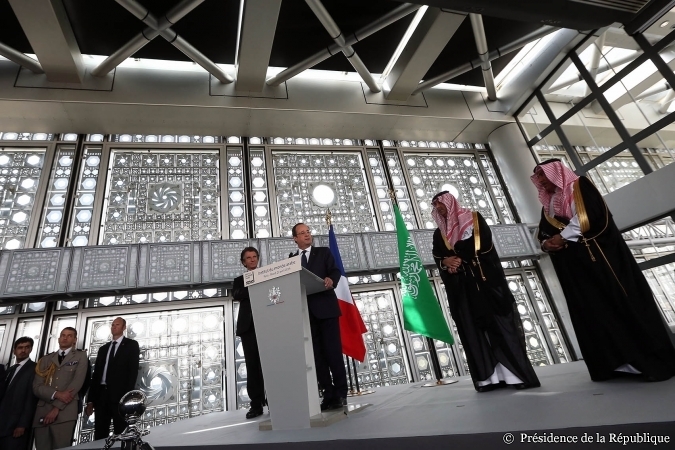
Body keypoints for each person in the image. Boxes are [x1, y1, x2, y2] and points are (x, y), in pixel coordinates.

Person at [531, 159, 675, 382]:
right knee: (591, 311)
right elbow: (542, 232)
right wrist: (545, 244)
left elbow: (589, 217)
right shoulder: (547, 205)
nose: (539, 180)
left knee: (617, 303)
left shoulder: (580, 186)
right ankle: (613, 363)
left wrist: (562, 236)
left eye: (542, 174)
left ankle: (645, 361)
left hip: (601, 260)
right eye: (537, 176)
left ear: (556, 173)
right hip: (574, 267)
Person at [431, 191, 541, 392]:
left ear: (450, 202)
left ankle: (515, 375)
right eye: (434, 205)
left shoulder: (473, 218)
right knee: (473, 331)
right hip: (462, 290)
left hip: (485, 285)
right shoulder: (439, 233)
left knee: (499, 328)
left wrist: (458, 258)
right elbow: (438, 255)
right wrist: (446, 263)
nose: (438, 208)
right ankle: (488, 378)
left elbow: (482, 245)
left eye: (440, 203)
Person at [291, 222, 348, 410]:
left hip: (327, 309)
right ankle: (327, 393)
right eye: (302, 233)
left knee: (333, 353)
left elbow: (335, 270)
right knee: (317, 357)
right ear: (295, 239)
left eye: (308, 232)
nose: (307, 235)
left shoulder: (323, 252)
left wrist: (332, 279)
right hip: (306, 313)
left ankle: (340, 393)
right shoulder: (292, 259)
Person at [86, 317, 140, 444]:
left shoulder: (131, 345)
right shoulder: (104, 349)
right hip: (101, 396)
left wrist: (127, 397)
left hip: (119, 397)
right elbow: (96, 375)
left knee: (121, 431)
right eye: (112, 325)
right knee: (100, 432)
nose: (114, 327)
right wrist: (91, 400)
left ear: (124, 327)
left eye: (117, 324)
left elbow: (133, 372)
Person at [33, 327, 88, 450]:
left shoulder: (80, 356)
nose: (65, 337)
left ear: (75, 339)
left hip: (65, 412)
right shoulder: (46, 359)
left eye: (69, 335)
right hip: (43, 411)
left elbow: (77, 383)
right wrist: (56, 394)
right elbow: (37, 387)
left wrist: (56, 408)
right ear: (58, 338)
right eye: (63, 335)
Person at [233, 247, 267, 419]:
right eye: (249, 258)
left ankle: (274, 400)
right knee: (252, 366)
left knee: (269, 365)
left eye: (255, 257)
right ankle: (256, 404)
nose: (252, 260)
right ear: (243, 262)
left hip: (267, 326)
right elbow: (237, 294)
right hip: (248, 329)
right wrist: (253, 283)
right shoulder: (239, 280)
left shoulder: (268, 274)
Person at [0, 337, 38, 450]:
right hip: (3, 423)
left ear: (31, 349)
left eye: (27, 347)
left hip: (17, 426)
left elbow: (31, 399)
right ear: (14, 351)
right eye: (20, 348)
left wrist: (22, 424)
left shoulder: (34, 369)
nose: (23, 350)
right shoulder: (9, 370)